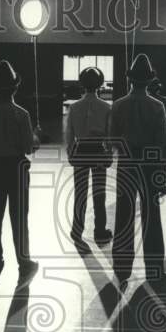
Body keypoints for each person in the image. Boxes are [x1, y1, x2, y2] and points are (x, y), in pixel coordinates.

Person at [0, 60, 39, 283]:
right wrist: (35, 139)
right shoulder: (22, 115)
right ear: (15, 88)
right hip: (17, 168)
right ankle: (24, 262)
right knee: (19, 218)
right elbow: (27, 148)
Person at [109, 53, 166, 287]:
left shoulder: (118, 105)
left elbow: (113, 137)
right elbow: (163, 143)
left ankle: (122, 266)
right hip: (149, 163)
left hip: (127, 162)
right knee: (151, 216)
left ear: (131, 80)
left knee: (124, 215)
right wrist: (162, 171)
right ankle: (154, 267)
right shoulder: (157, 106)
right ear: (149, 81)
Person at [65, 65, 113, 245]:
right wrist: (108, 153)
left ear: (82, 84)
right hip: (98, 151)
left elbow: (69, 133)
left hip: (81, 150)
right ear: (100, 84)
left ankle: (76, 230)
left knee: (80, 193)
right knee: (99, 194)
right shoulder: (106, 107)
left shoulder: (74, 107)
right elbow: (109, 134)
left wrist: (71, 151)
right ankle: (100, 231)